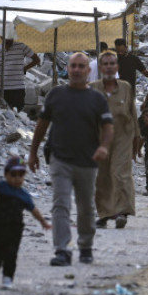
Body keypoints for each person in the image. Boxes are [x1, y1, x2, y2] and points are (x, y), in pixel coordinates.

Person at [28, 52, 113, 267]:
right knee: (61, 204)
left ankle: (85, 246)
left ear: (88, 70)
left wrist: (103, 147)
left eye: (81, 66)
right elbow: (42, 125)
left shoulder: (97, 98)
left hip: (87, 160)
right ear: (68, 68)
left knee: (85, 207)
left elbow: (108, 126)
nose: (76, 70)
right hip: (60, 159)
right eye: (73, 66)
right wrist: (33, 152)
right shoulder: (56, 95)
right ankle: (62, 249)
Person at [0, 156, 50, 289]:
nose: (17, 178)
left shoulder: (23, 195)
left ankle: (8, 277)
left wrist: (43, 221)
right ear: (6, 175)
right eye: (13, 175)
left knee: (11, 253)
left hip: (15, 230)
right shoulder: (0, 187)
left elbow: (33, 209)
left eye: (20, 175)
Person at [90, 50, 141, 229]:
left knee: (120, 172)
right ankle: (104, 214)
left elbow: (132, 114)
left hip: (122, 136)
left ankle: (122, 212)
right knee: (102, 176)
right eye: (106, 64)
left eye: (112, 63)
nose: (109, 67)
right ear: (100, 67)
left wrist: (137, 139)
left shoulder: (125, 87)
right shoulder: (93, 88)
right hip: (100, 137)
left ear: (117, 67)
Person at [0, 38, 40, 111]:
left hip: (17, 88)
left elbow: (36, 59)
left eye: (10, 36)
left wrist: (25, 68)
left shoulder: (21, 46)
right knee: (2, 114)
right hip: (2, 88)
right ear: (1, 37)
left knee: (17, 114)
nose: (9, 39)